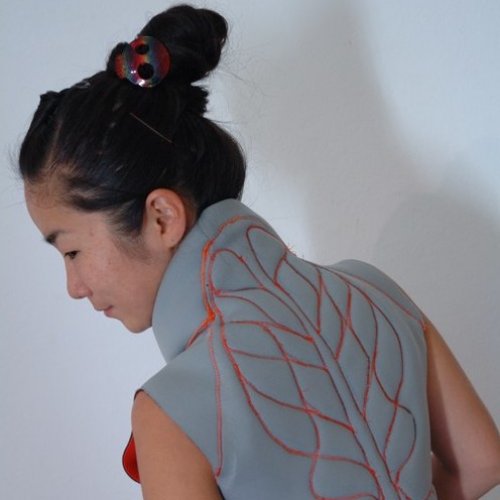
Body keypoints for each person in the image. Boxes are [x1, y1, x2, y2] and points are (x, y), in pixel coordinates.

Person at [19, 4, 500, 500]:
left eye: (71, 251)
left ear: (162, 217)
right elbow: (482, 461)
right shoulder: (373, 289)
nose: (74, 287)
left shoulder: (172, 411)